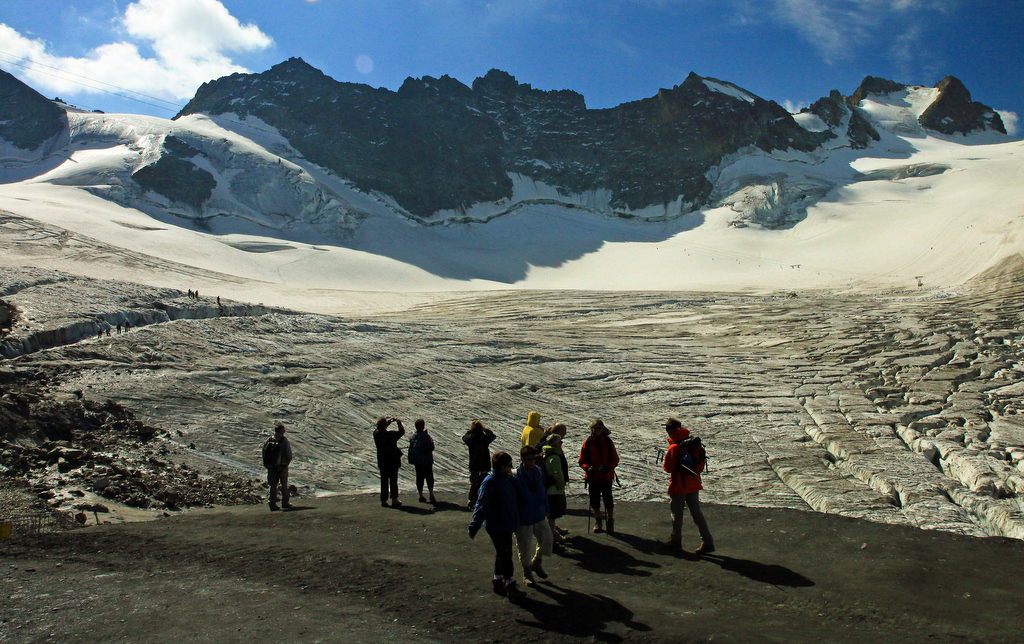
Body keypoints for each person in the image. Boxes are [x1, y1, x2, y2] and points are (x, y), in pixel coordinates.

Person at [468, 452, 526, 602]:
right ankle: (510, 584)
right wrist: (474, 525)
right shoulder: (491, 481)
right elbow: (481, 505)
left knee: (502, 553)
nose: (511, 468)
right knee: (506, 554)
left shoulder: (506, 479)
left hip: (505, 523)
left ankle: (498, 580)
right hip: (498, 525)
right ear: (502, 466)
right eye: (509, 465)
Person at [663, 418, 714, 553]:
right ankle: (707, 540)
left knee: (677, 513)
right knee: (696, 512)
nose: (667, 432)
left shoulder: (675, 446)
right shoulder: (690, 442)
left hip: (680, 485)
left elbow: (667, 468)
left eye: (668, 429)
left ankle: (676, 540)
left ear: (673, 430)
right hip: (693, 483)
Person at [513, 445, 552, 586]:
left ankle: (536, 561)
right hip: (523, 517)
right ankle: (527, 571)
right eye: (529, 459)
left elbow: (543, 491)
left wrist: (546, 507)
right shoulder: (515, 475)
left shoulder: (539, 472)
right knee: (524, 546)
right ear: (522, 459)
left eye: (534, 459)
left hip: (539, 514)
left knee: (548, 538)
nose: (532, 462)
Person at [579, 419, 619, 533]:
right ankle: (598, 520)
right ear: (592, 429)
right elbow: (582, 460)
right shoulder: (588, 442)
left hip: (605, 476)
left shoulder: (607, 441)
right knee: (594, 499)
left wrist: (607, 467)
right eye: (595, 428)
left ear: (603, 429)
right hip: (593, 476)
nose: (597, 430)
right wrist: (587, 467)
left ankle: (610, 520)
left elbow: (615, 459)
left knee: (608, 498)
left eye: (599, 428)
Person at [541, 433, 569, 544]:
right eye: (560, 442)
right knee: (552, 515)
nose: (561, 444)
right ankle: (552, 537)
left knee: (550, 514)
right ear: (556, 445)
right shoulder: (555, 457)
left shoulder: (546, 454)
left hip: (547, 488)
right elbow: (558, 474)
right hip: (554, 490)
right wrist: (561, 485)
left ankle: (552, 533)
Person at [463, 420, 496, 508]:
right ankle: (485, 498)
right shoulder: (484, 438)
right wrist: (485, 430)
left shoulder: (471, 438)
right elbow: (492, 435)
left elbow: (464, 437)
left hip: (474, 463)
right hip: (485, 462)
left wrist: (469, 431)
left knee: (474, 482)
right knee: (485, 481)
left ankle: (471, 499)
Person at [374, 416, 405, 507]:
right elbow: (401, 432)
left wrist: (387, 423)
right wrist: (399, 423)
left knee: (384, 480)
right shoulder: (390, 435)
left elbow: (379, 429)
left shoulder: (376, 434)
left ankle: (384, 500)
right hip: (392, 460)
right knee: (393, 480)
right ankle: (394, 499)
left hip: (382, 460)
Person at [264, 423, 293, 511]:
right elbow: (288, 455)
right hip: (282, 467)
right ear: (281, 430)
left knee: (272, 485)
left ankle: (272, 503)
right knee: (284, 484)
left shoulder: (269, 440)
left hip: (271, 467)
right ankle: (285, 502)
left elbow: (264, 452)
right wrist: (285, 464)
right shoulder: (284, 441)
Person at [409, 418, 436, 503]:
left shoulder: (413, 436)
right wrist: (431, 441)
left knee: (419, 477)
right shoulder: (426, 436)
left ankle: (420, 494)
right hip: (426, 460)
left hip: (417, 460)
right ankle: (431, 494)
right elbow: (431, 447)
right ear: (423, 426)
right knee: (429, 477)